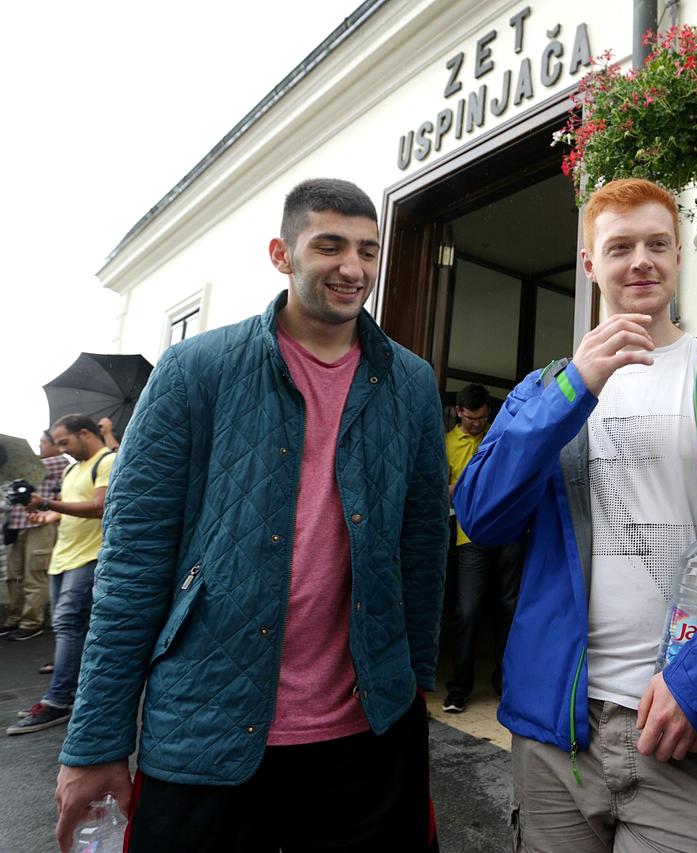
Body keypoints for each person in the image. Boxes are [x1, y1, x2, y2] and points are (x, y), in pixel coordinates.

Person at [52, 178, 450, 853]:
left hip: (368, 733)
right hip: (207, 725)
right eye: (330, 245)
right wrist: (96, 739)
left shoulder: (410, 381)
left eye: (368, 250)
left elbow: (422, 541)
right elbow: (132, 565)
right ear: (281, 253)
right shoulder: (192, 370)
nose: (353, 267)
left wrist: (412, 686)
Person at [454, 177, 697, 852]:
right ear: (590, 263)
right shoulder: (547, 389)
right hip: (556, 733)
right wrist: (576, 387)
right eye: (620, 246)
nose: (641, 261)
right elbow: (481, 515)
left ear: (679, 255)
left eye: (658, 243)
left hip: (684, 726)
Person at [7, 416, 113, 736]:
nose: (61, 450)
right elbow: (62, 510)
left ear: (85, 433)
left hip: (89, 556)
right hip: (63, 558)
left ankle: (57, 700)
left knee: (68, 623)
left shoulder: (108, 461)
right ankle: (74, 694)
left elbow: (99, 507)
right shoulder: (71, 469)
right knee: (69, 626)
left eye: (65, 442)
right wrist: (43, 513)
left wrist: (48, 501)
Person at [442, 382, 523, 713]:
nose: (478, 424)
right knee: (468, 611)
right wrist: (466, 488)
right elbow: (440, 489)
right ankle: (459, 687)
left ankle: (505, 682)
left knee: (509, 608)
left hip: (509, 532)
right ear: (459, 412)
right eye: (473, 418)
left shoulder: (500, 436)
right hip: (470, 537)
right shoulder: (446, 444)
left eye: (484, 418)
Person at [2, 430, 69, 641]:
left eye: (43, 442)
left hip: (41, 524)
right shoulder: (24, 469)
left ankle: (31, 622)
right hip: (18, 524)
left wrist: (14, 468)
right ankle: (14, 618)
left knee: (34, 574)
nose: (39, 446)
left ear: (56, 445)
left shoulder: (60, 462)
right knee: (14, 575)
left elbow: (37, 470)